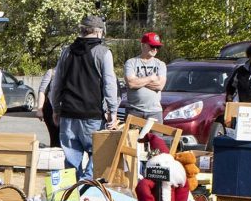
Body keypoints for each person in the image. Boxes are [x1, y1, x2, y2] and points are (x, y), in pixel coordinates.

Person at [48, 15, 118, 179]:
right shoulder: (103, 53)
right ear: (99, 31)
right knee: (99, 158)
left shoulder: (66, 51)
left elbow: (56, 83)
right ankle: (86, 188)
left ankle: (73, 197)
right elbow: (110, 83)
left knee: (71, 166)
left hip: (68, 115)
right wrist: (112, 111)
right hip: (92, 116)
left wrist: (56, 109)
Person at [122, 32, 167, 121]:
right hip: (134, 111)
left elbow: (160, 86)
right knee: (132, 135)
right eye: (152, 46)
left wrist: (138, 81)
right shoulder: (131, 62)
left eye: (157, 47)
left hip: (155, 112)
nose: (155, 49)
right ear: (143, 45)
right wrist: (151, 78)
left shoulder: (160, 64)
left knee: (156, 136)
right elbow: (131, 83)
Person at [35, 67, 59, 146]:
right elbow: (42, 91)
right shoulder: (51, 72)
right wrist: (39, 109)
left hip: (68, 110)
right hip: (50, 109)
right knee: (55, 138)